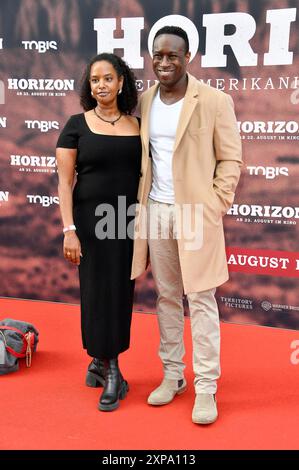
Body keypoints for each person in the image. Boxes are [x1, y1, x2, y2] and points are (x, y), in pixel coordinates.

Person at [131, 26, 242, 424]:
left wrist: (214, 204)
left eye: (172, 55)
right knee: (165, 297)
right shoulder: (146, 99)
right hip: (157, 211)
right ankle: (173, 375)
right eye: (157, 55)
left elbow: (231, 159)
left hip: (197, 214)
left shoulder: (214, 100)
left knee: (201, 299)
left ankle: (207, 387)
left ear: (187, 56)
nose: (163, 62)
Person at [56, 53, 141, 412]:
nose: (101, 85)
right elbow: (64, 182)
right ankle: (111, 370)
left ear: (121, 82)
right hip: (90, 224)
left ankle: (100, 364)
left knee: (122, 292)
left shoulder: (138, 125)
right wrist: (69, 230)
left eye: (108, 78)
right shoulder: (77, 124)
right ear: (88, 86)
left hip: (127, 222)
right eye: (95, 80)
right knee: (96, 293)